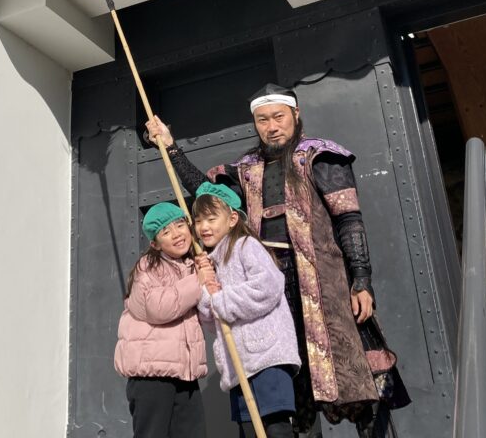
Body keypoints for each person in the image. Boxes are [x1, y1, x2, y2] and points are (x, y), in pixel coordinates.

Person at [148, 83, 409, 437]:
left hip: (326, 285)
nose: (271, 126)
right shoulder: (247, 169)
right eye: (263, 120)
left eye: (278, 117)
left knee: (358, 376)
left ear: (295, 115)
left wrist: (361, 279)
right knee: (293, 386)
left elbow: (349, 220)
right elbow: (208, 196)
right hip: (272, 288)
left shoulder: (321, 156)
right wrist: (171, 148)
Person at [192, 181, 301, 438]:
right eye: (198, 221)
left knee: (276, 429)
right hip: (238, 365)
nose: (203, 227)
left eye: (211, 219)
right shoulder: (211, 264)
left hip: (266, 357)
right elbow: (211, 320)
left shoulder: (245, 245)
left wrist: (222, 300)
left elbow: (268, 286)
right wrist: (205, 290)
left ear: (232, 219)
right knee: (249, 431)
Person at [114, 202, 209, 438]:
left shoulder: (193, 266)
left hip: (184, 373)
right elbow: (159, 308)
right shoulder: (148, 267)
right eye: (166, 232)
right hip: (152, 375)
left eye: (180, 225)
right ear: (155, 244)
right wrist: (198, 280)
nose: (176, 234)